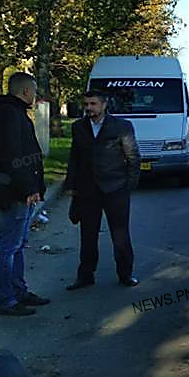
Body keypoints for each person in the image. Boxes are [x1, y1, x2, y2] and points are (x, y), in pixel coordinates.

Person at [0, 72, 51, 317]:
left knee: (17, 244)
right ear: (25, 91)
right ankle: (7, 300)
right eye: (33, 91)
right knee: (9, 246)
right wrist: (28, 188)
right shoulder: (9, 114)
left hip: (19, 189)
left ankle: (18, 291)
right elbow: (13, 156)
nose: (34, 96)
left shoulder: (11, 112)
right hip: (15, 191)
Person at [63, 90, 141, 290]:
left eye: (93, 104)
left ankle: (125, 274)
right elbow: (75, 158)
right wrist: (71, 186)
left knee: (120, 235)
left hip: (115, 188)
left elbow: (132, 157)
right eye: (86, 104)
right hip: (88, 190)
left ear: (104, 105)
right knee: (88, 235)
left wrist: (128, 186)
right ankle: (85, 275)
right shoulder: (79, 127)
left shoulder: (121, 126)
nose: (89, 108)